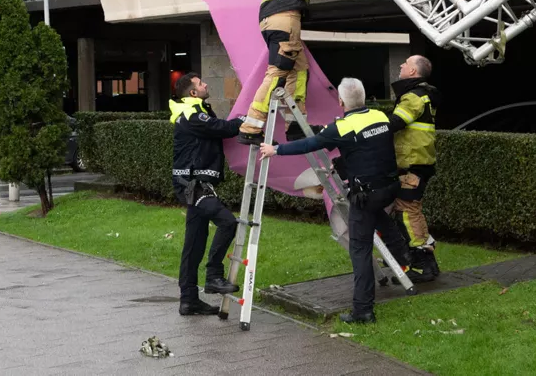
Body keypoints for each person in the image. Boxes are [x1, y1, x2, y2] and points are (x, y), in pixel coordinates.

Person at [260, 77, 410, 324]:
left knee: (360, 250)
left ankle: (363, 310)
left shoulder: (341, 128)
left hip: (367, 193)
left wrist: (276, 150)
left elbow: (311, 144)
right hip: (390, 187)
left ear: (340, 101)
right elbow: (365, 144)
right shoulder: (381, 116)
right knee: (378, 215)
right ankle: (403, 253)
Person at [238, 0, 330, 144]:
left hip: (272, 20)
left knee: (298, 71)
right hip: (285, 18)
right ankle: (251, 125)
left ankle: (296, 124)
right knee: (277, 73)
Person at [170, 72, 244, 316]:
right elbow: (221, 128)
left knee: (194, 243)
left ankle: (189, 300)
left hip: (192, 184)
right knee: (227, 222)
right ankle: (214, 275)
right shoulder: (193, 113)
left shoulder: (193, 110)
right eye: (200, 83)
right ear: (192, 92)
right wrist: (245, 119)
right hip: (194, 185)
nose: (205, 85)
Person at [387, 55, 441, 283]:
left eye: (405, 64)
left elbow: (394, 123)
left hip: (413, 165)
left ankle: (423, 263)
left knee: (408, 211)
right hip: (418, 163)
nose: (400, 65)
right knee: (410, 210)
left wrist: (366, 126)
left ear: (413, 72)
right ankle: (423, 260)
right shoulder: (423, 95)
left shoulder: (414, 97)